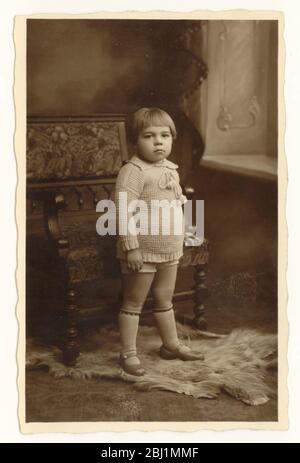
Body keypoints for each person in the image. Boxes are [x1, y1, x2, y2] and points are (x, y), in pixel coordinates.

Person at [114, 107, 204, 376]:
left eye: (165, 135)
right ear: (135, 141)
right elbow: (122, 210)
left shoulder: (170, 170)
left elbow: (176, 205)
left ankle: (171, 345)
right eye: (149, 135)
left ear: (173, 139)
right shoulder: (133, 171)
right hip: (141, 250)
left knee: (165, 298)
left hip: (169, 248)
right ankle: (128, 352)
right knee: (133, 301)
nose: (158, 141)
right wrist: (131, 247)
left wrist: (186, 232)